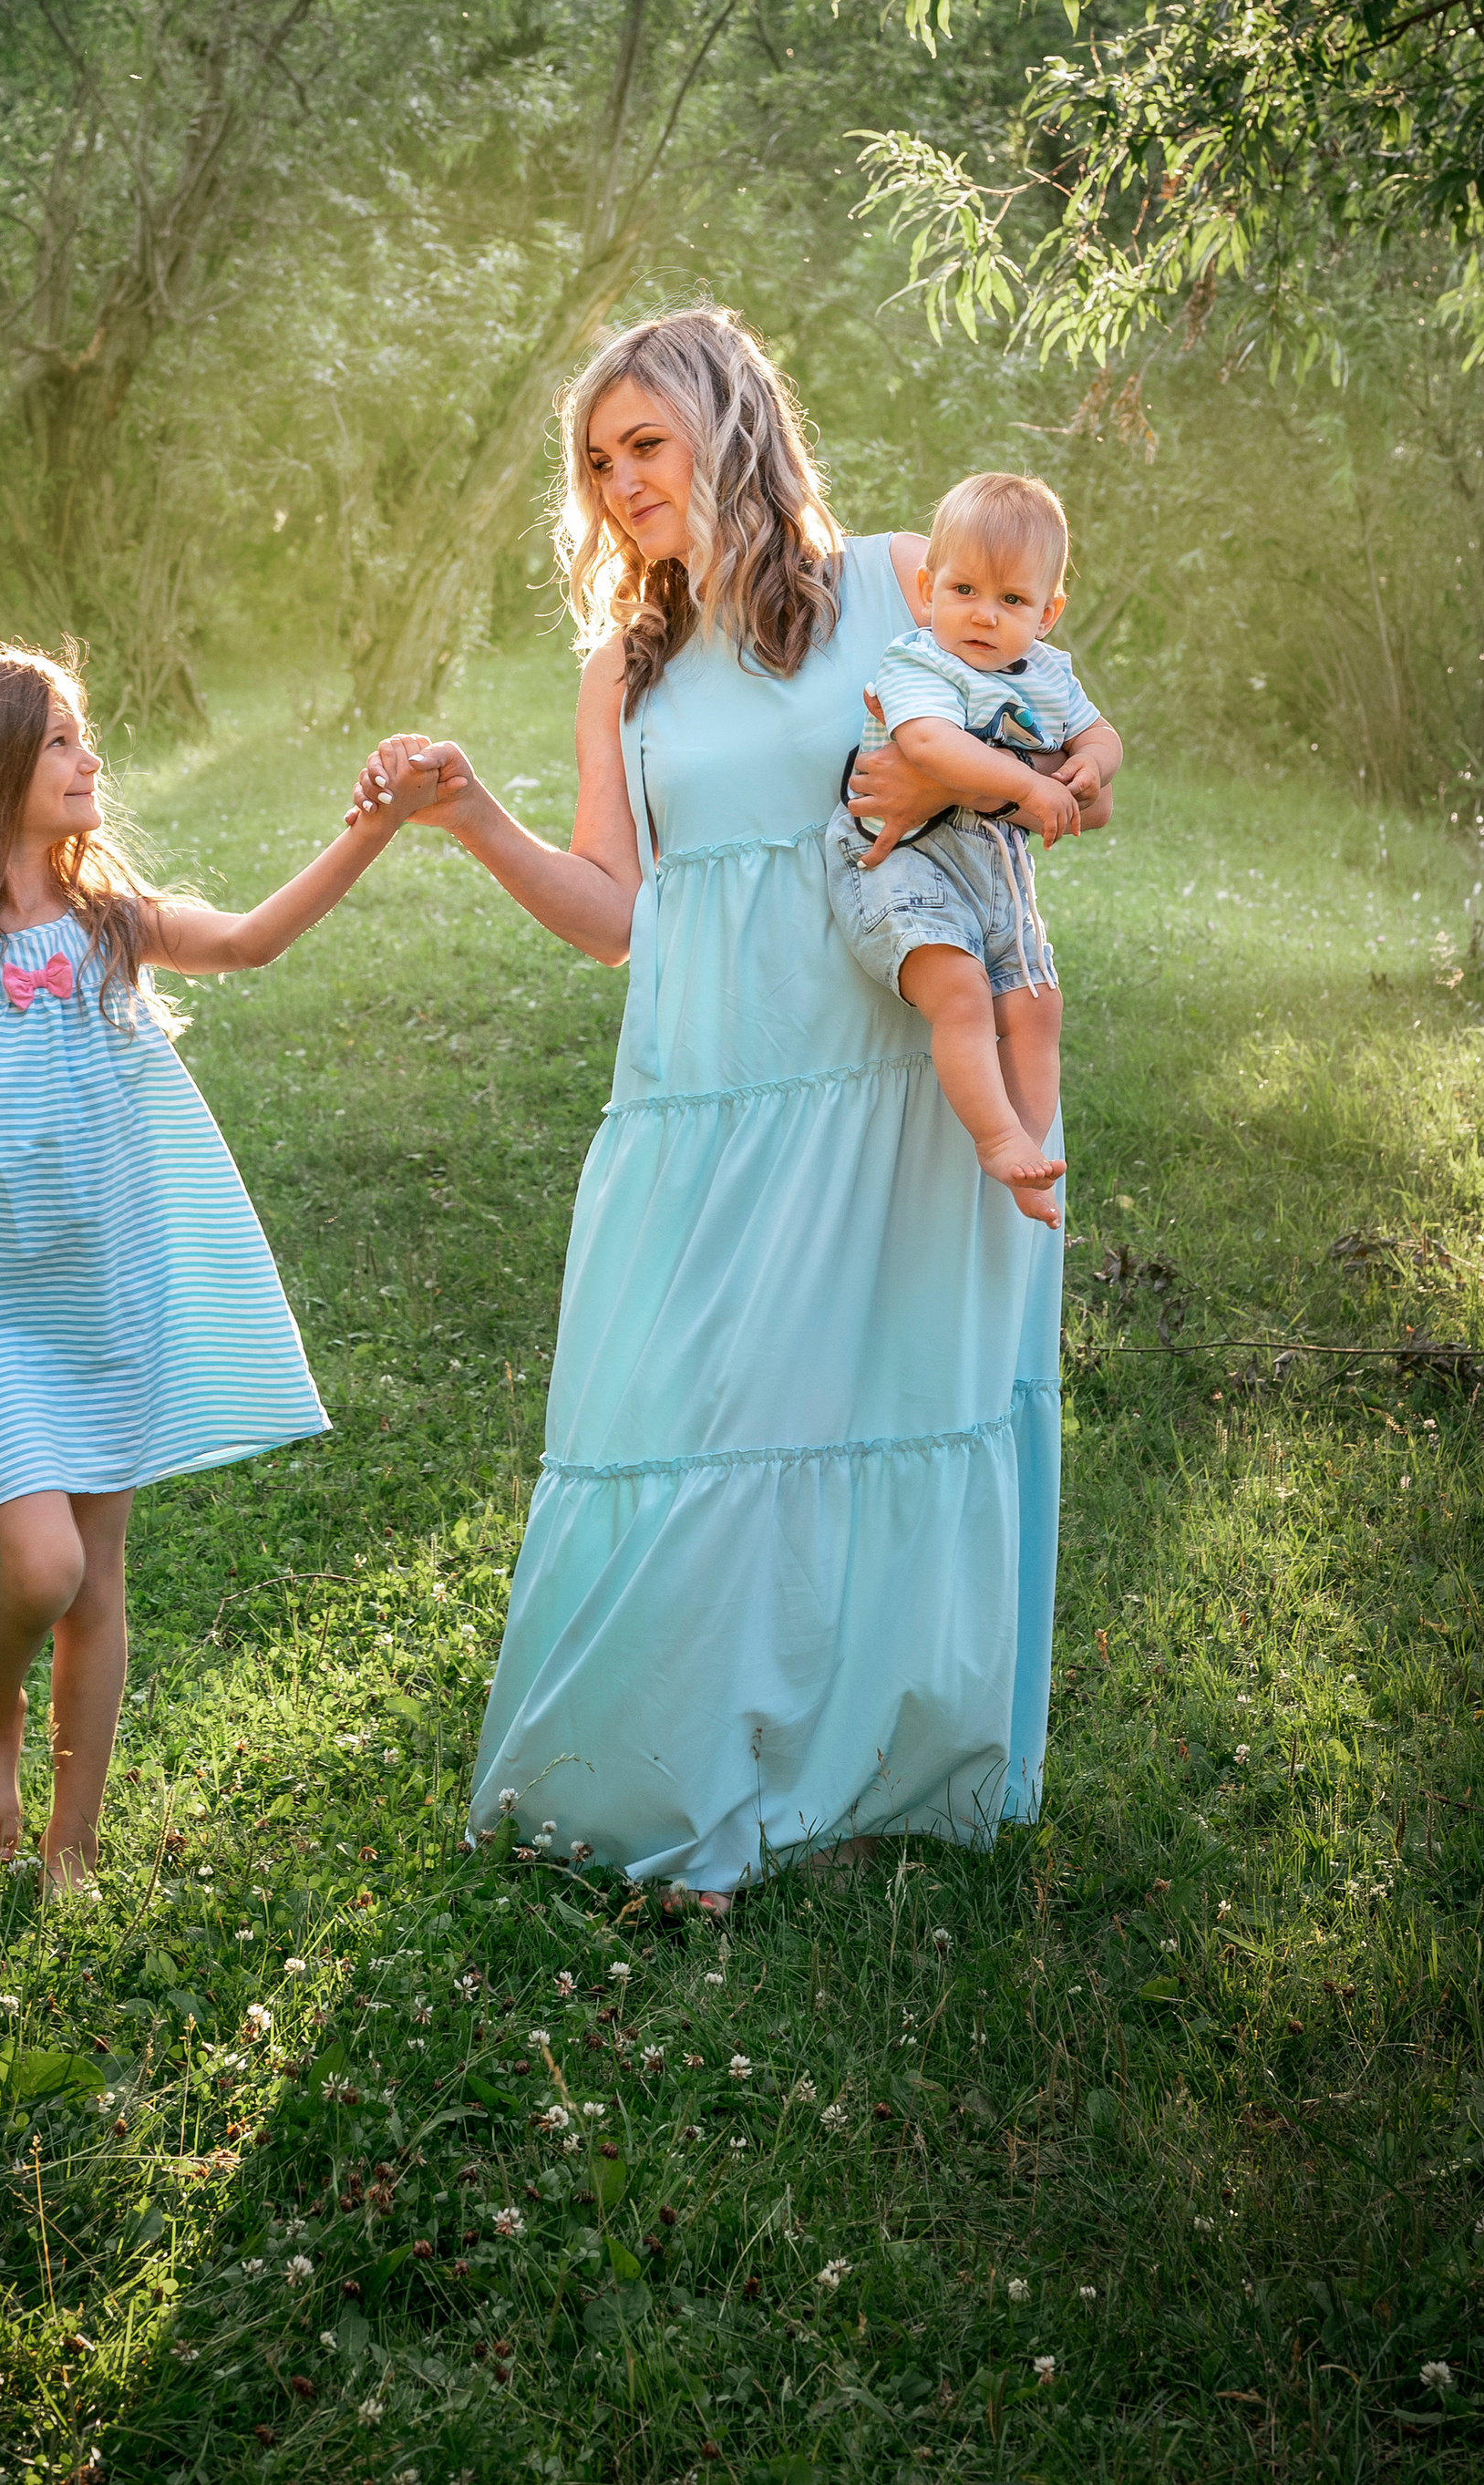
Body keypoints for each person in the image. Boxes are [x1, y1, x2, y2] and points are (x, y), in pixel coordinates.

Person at [350, 308, 1076, 1897]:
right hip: (713, 1081)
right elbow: (617, 911)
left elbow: (1062, 770)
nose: (620, 483)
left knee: (886, 1398)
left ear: (731, 427)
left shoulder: (907, 580)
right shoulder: (627, 666)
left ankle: (868, 1775)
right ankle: (675, 1776)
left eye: (646, 445)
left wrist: (953, 779)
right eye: (596, 460)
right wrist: (475, 818)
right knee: (701, 1408)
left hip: (902, 1062)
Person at [0, 642, 436, 1886]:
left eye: (82, 735)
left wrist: (378, 823)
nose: (91, 760)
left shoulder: (109, 926)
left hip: (105, 1300)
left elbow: (249, 939)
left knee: (98, 1586)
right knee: (44, 1566)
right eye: (61, 740)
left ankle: (71, 1851)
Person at [823, 468, 1122, 1231]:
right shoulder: (921, 659)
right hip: (902, 862)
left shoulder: (1049, 673)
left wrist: (1092, 762)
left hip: (995, 870)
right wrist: (1029, 783)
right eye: (963, 590)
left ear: (1047, 612)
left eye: (1011, 600)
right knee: (960, 992)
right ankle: (995, 1138)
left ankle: (1029, 1152)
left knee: (1037, 1006)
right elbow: (931, 745)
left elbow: (1100, 734)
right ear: (928, 589)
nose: (984, 615)